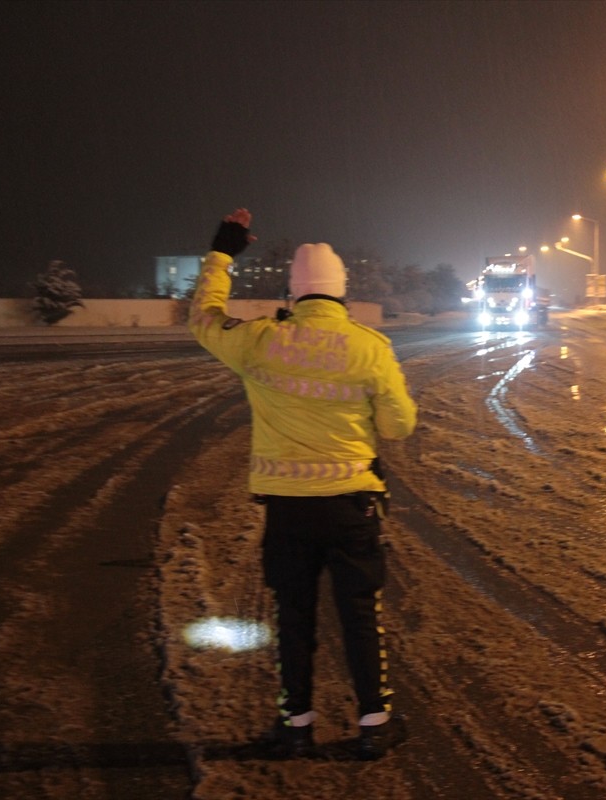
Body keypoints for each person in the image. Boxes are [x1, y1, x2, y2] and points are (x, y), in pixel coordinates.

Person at [189, 208, 418, 760]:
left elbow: (203, 319)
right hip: (352, 507)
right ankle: (374, 723)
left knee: (292, 616)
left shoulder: (261, 340)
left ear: (294, 292)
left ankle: (296, 724)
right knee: (359, 614)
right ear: (341, 291)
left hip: (288, 511)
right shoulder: (370, 347)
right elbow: (398, 426)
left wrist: (221, 255)